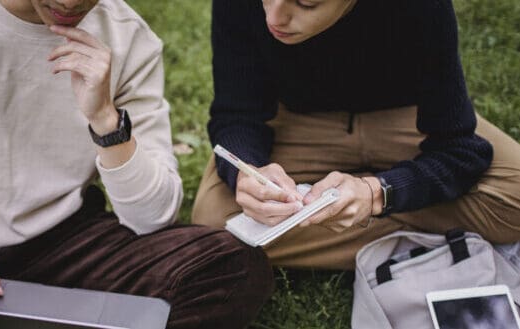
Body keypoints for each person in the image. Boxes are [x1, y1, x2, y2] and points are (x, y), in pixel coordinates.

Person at [0, 0, 274, 327]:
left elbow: (152, 216)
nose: (68, 2)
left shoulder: (127, 37)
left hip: (76, 241)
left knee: (232, 265)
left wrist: (106, 121)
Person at [192, 0, 520, 269]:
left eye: (306, 3)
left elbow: (459, 148)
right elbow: (237, 114)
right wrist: (247, 172)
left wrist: (377, 192)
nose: (274, 16)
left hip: (406, 118)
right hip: (297, 123)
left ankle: (352, 210)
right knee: (211, 224)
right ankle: (445, 236)